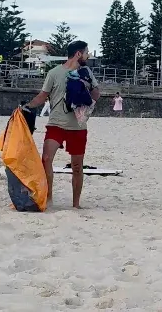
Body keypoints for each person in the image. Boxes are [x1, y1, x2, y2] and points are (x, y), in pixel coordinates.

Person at [23, 40, 99, 209]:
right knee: (47, 159)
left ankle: (76, 204)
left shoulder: (86, 72)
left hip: (78, 127)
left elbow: (97, 95)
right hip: (56, 123)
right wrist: (27, 106)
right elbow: (43, 96)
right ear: (78, 54)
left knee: (77, 166)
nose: (87, 56)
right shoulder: (54, 73)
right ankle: (49, 197)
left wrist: (85, 85)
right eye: (86, 52)